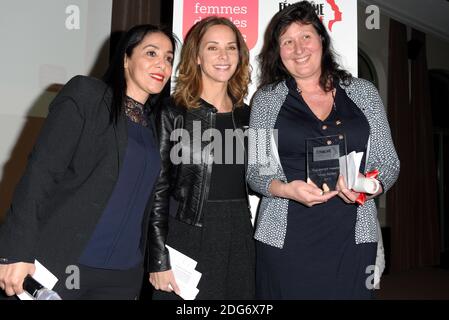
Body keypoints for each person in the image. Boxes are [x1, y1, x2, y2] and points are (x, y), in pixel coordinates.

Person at [0, 24, 176, 300]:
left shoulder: (154, 124)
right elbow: (40, 173)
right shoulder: (88, 95)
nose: (162, 64)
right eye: (151, 53)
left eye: (168, 58)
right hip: (67, 264)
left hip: (123, 275)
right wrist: (16, 251)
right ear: (125, 59)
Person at [247, 1, 400, 299]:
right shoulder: (265, 100)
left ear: (322, 40)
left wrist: (366, 186)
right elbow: (256, 172)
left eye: (305, 36)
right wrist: (288, 190)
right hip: (286, 238)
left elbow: (388, 162)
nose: (298, 48)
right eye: (287, 42)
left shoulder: (364, 92)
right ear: (278, 52)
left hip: (352, 236)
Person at [148, 16, 254, 300]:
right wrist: (158, 257)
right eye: (212, 48)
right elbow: (156, 190)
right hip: (187, 232)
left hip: (239, 233)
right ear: (196, 56)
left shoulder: (250, 115)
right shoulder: (173, 111)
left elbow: (263, 178)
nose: (223, 56)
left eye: (231, 48)